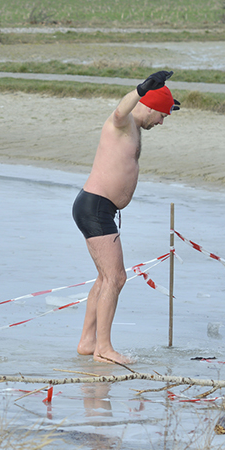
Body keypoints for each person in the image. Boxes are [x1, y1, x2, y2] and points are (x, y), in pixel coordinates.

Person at [72, 71, 178, 364]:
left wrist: (164, 100)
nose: (162, 122)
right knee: (116, 278)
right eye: (163, 116)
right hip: (95, 207)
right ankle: (103, 349)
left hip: (98, 207)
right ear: (149, 105)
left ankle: (88, 341)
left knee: (105, 278)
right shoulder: (120, 123)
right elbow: (121, 109)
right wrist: (142, 89)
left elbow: (148, 108)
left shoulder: (136, 128)